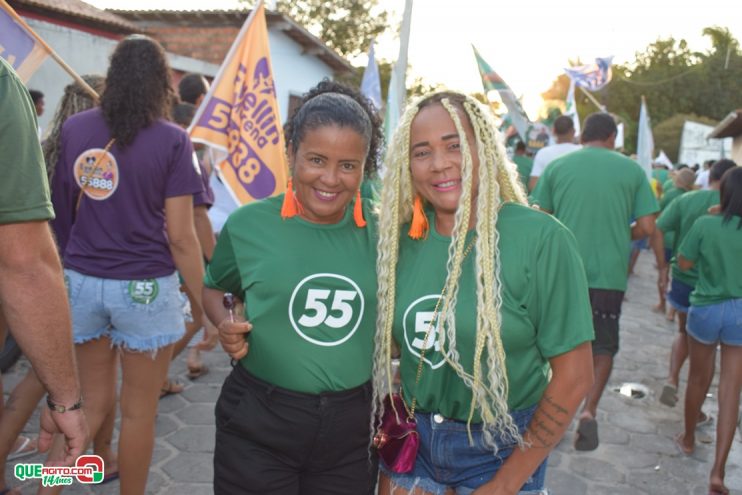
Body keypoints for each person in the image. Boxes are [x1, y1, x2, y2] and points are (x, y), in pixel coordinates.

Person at [374, 91, 594, 494]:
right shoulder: (400, 242)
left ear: (484, 147)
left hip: (502, 450)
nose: (440, 164)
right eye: (421, 152)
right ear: (407, 165)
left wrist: (506, 484)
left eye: (454, 145)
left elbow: (575, 376)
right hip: (413, 442)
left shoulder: (540, 239)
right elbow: (393, 344)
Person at [44, 35, 205, 494]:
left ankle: (46, 487)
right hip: (145, 291)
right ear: (162, 83)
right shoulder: (175, 141)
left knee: (88, 404)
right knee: (138, 411)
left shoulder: (76, 129)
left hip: (81, 281)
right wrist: (203, 302)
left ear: (114, 76)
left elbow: (62, 209)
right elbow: (180, 235)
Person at [206, 80, 383, 494]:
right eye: (316, 159)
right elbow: (215, 288)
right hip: (258, 421)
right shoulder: (249, 226)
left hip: (352, 431)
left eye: (348, 165)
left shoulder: (385, 231)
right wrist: (226, 322)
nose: (330, 178)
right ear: (291, 155)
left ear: (364, 167)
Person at [0, 75, 114, 495]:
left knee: (23, 390)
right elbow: (23, 258)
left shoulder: (56, 142)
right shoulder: (150, 139)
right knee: (99, 400)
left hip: (59, 275)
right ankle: (68, 478)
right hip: (58, 284)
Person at [532, 112, 659, 451]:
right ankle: (588, 410)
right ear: (612, 137)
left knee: (553, 344)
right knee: (602, 347)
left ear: (582, 135)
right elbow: (647, 228)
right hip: (609, 275)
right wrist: (622, 233)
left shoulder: (558, 167)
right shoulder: (632, 170)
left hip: (562, 272)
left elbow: (539, 217)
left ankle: (551, 412)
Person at [676, 166, 742, 495]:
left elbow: (684, 263)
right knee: (731, 391)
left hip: (705, 307)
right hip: (741, 313)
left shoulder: (705, 223)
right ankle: (717, 472)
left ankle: (688, 438)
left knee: (699, 379)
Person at [653, 159, 737, 409]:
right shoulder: (735, 210)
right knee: (710, 350)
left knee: (682, 332)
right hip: (721, 290)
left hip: (685, 280)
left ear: (710, 176)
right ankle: (697, 407)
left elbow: (659, 227)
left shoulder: (686, 200)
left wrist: (662, 267)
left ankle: (672, 378)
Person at [650, 167, 696, 316]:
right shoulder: (691, 197)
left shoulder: (670, 195)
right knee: (678, 276)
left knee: (663, 272)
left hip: (664, 239)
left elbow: (657, 212)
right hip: (680, 242)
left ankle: (662, 303)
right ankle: (672, 311)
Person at [527, 115, 580, 191]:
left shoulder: (543, 153)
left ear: (553, 131)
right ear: (574, 131)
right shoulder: (582, 151)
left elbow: (533, 185)